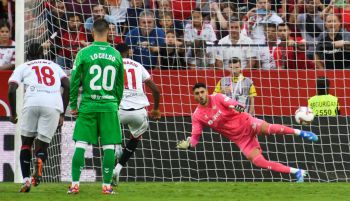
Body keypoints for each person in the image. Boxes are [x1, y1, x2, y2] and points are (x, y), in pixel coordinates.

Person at [177, 83, 318, 182]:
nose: (200, 95)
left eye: (202, 92)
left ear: (206, 91)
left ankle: (301, 133)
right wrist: (189, 145)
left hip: (247, 122)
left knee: (268, 128)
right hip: (241, 139)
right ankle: (297, 172)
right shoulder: (197, 115)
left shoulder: (218, 97)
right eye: (197, 93)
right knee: (259, 161)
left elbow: (236, 104)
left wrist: (237, 106)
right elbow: (195, 137)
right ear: (194, 96)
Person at [68, 19, 124, 195]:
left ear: (92, 32)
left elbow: (74, 80)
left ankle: (75, 184)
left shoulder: (83, 53)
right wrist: (115, 104)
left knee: (81, 145)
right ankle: (106, 187)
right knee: (109, 147)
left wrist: (72, 104)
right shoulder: (116, 55)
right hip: (109, 106)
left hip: (88, 105)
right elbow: (119, 86)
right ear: (109, 31)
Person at [8, 43, 70, 192]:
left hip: (32, 102)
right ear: (43, 54)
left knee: (26, 143)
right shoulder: (54, 66)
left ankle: (26, 181)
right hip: (52, 105)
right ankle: (40, 159)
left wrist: (13, 113)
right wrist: (62, 113)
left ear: (27, 54)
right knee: (42, 145)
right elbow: (67, 86)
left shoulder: (23, 66)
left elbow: (11, 90)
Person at [111, 43, 161, 187]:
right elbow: (156, 90)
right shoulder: (137, 65)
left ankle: (116, 145)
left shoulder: (112, 65)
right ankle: (118, 168)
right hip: (139, 111)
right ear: (128, 52)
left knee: (105, 125)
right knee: (135, 138)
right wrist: (156, 109)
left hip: (118, 110)